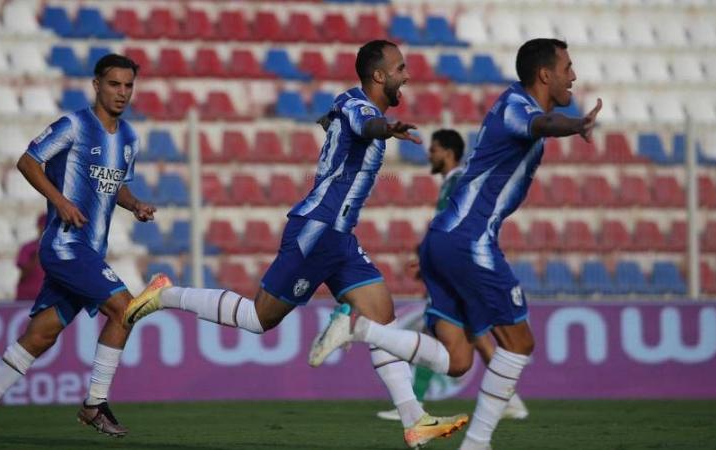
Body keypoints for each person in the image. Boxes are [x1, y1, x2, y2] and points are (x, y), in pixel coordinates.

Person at [124, 40, 468, 449]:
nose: (406, 76)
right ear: (379, 76)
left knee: (381, 318)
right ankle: (166, 294)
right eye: (400, 69)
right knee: (259, 318)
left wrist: (340, 123)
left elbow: (343, 121)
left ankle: (414, 420)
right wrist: (385, 129)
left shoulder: (350, 104)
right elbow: (363, 124)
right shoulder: (362, 109)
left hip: (339, 237)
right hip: (317, 232)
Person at [309, 38, 602, 450]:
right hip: (469, 240)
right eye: (567, 67)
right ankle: (477, 444)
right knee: (519, 344)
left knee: (459, 360)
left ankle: (360, 327)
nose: (573, 75)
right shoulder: (519, 107)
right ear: (544, 74)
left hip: (445, 241)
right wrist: (576, 125)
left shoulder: (514, 104)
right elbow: (542, 126)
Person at [0, 54, 157, 448]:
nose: (122, 93)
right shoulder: (75, 125)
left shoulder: (129, 138)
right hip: (65, 245)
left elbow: (116, 187)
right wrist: (60, 202)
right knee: (125, 309)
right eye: (114, 84)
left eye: (128, 85)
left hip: (90, 250)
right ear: (96, 85)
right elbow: (28, 162)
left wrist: (135, 205)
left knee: (42, 335)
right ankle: (95, 403)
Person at [376, 130, 528, 422]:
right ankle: (511, 399)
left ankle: (413, 405)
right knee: (477, 338)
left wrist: (434, 262)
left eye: (433, 149)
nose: (429, 155)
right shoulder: (452, 183)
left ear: (447, 152)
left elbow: (456, 228)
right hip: (457, 270)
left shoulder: (458, 183)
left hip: (457, 273)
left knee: (432, 329)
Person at [14, 213, 47, 301]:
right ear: (38, 227)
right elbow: (23, 274)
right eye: (43, 226)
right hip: (28, 296)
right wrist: (35, 259)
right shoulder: (28, 248)